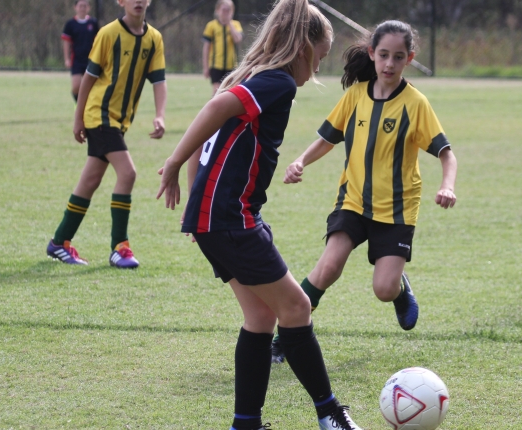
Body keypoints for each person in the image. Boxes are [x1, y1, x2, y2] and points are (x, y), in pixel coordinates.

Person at [157, 1, 360, 429]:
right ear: (302, 47)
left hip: (219, 216)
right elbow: (213, 113)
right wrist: (175, 164)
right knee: (297, 307)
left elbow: (212, 130)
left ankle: (245, 424)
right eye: (320, 57)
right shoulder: (277, 83)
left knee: (261, 317)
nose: (317, 71)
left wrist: (197, 205)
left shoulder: (251, 75)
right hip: (231, 217)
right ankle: (331, 416)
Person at [271, 20, 458, 364]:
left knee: (383, 290)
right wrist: (300, 162)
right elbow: (327, 138)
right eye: (383, 55)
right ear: (372, 54)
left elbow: (447, 153)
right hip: (352, 201)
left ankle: (399, 288)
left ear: (409, 58)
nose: (389, 64)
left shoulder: (415, 104)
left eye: (398, 57)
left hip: (397, 209)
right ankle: (286, 337)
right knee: (327, 268)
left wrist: (447, 185)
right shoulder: (355, 96)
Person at [46, 0, 167, 269]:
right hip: (99, 115)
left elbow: (159, 80)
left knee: (90, 180)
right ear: (120, 1)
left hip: (119, 121)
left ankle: (59, 242)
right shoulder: (108, 33)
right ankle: (119, 247)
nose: (137, 1)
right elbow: (88, 78)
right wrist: (78, 118)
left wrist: (160, 114)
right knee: (128, 173)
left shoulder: (154, 39)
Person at [202, 0, 243, 96]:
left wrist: (229, 23)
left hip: (231, 65)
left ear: (232, 11)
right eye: (223, 10)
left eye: (228, 10)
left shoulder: (236, 25)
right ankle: (214, 110)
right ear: (217, 11)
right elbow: (206, 48)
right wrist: (205, 67)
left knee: (230, 92)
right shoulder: (211, 25)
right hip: (216, 65)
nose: (225, 12)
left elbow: (238, 39)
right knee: (217, 91)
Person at [61, 0, 99, 103]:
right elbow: (66, 42)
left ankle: (87, 108)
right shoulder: (70, 24)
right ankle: (78, 106)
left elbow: (98, 41)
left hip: (90, 59)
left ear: (89, 8)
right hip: (77, 60)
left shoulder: (93, 23)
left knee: (92, 87)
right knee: (76, 87)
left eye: (85, 6)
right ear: (75, 7)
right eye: (80, 6)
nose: (83, 8)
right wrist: (67, 59)